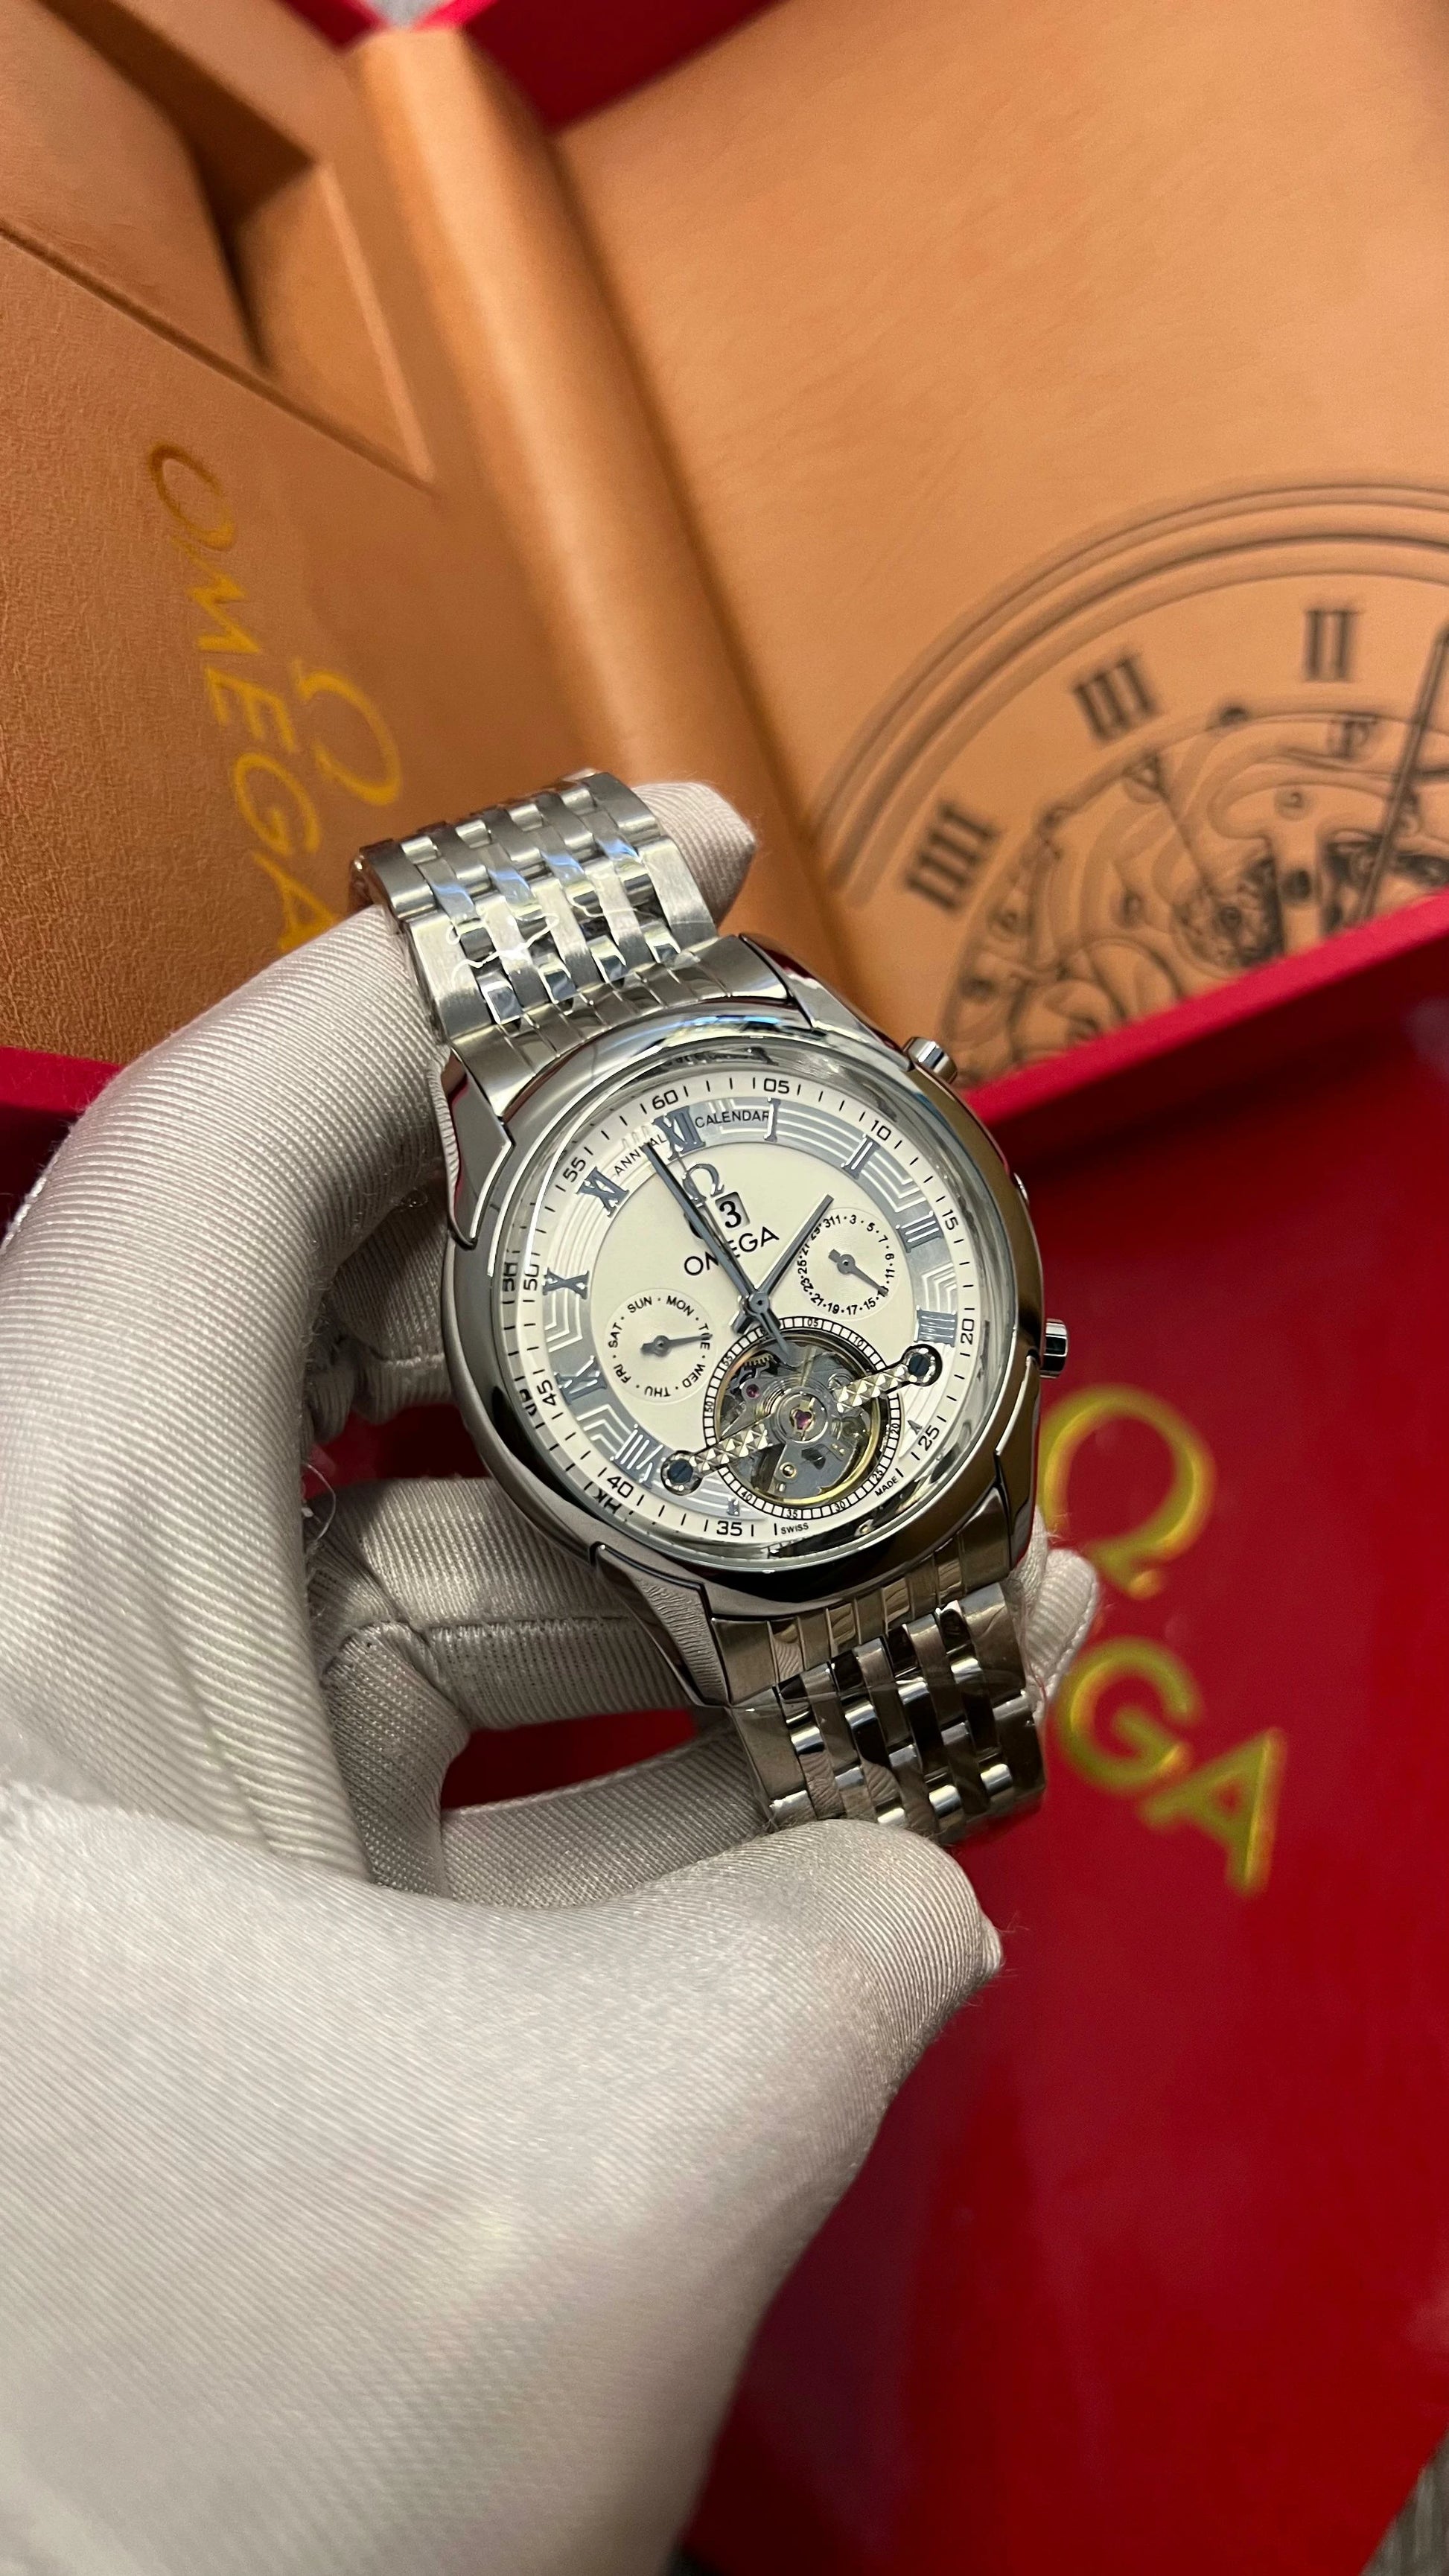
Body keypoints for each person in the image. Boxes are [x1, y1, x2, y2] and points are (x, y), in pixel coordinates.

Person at [0, 788, 1094, 2574]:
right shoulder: (550, 1369)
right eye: (688, 1326)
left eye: (799, 1280)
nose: (756, 1323)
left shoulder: (815, 1128)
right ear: (515, 1416)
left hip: (904, 1476)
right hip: (721, 1530)